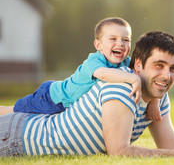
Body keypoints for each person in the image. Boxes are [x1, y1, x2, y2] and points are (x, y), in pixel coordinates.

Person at [0, 31, 174, 157]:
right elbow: (119, 151)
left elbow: (171, 147)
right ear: (138, 65)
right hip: (17, 138)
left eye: (173, 69)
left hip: (23, 129)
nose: (166, 75)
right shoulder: (121, 88)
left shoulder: (158, 97)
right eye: (159, 65)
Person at [0, 17, 161, 122]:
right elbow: (103, 74)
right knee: (16, 115)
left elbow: (145, 78)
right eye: (113, 39)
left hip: (66, 109)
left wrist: (153, 103)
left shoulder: (126, 63)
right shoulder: (95, 60)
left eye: (126, 40)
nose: (120, 44)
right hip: (52, 98)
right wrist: (133, 79)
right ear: (98, 45)